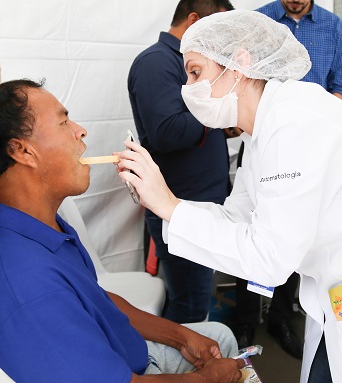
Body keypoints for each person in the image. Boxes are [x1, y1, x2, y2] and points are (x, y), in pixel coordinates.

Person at [116, 10, 342, 383]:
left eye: (195, 73)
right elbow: (236, 218)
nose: (187, 89)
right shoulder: (261, 131)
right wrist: (162, 201)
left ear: (238, 64)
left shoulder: (296, 122)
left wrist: (170, 206)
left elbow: (269, 259)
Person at [0, 79, 245, 383]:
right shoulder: (25, 288)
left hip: (123, 352)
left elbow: (95, 299)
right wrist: (210, 380)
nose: (80, 130)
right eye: (64, 121)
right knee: (226, 360)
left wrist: (181, 337)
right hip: (130, 372)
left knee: (219, 339)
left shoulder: (32, 225)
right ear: (22, 151)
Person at [231, 0, 342, 357]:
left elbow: (340, 83)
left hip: (308, 146)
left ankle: (281, 318)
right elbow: (238, 76)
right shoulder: (260, 19)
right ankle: (244, 320)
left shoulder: (332, 26)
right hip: (261, 140)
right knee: (250, 227)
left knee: (296, 234)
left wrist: (322, 120)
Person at [127, 0, 236, 324]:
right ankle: (182, 370)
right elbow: (167, 132)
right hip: (181, 207)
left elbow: (192, 126)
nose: (222, 42)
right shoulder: (155, 63)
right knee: (189, 304)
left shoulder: (185, 60)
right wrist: (215, 107)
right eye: (217, 30)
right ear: (192, 21)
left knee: (194, 299)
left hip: (200, 204)